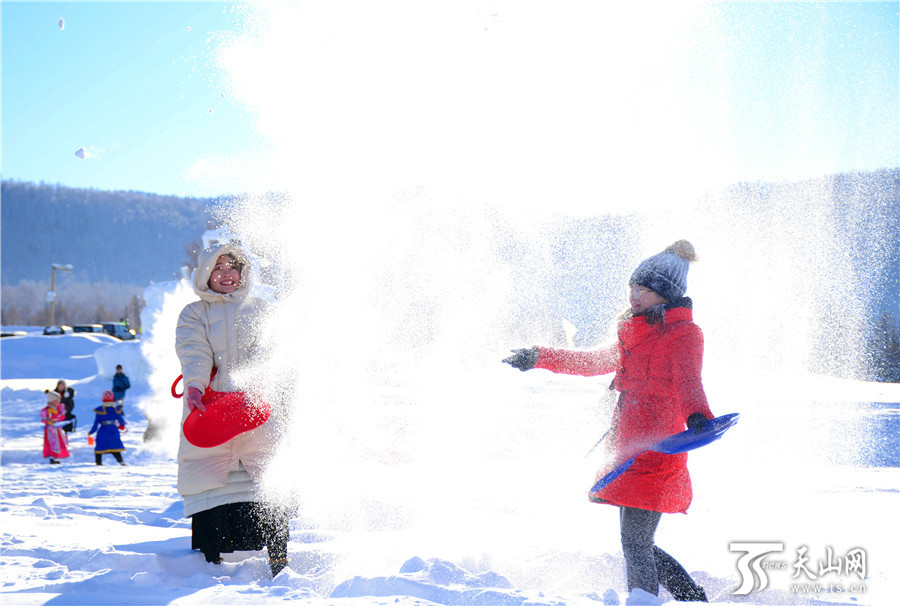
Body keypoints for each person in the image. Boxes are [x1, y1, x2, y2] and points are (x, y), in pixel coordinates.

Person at [503, 240, 713, 602]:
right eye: (633, 286)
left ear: (666, 295)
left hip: (659, 451)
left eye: (645, 290)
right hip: (628, 450)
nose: (635, 295)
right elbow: (589, 362)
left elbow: (689, 382)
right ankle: (691, 598)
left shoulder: (683, 334)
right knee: (638, 541)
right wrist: (537, 356)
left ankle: (647, 600)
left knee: (635, 542)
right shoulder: (634, 334)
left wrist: (698, 416)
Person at [175, 242, 289, 577]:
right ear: (206, 274)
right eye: (219, 268)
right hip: (211, 408)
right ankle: (209, 566)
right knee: (212, 480)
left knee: (267, 479)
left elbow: (273, 351)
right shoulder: (194, 313)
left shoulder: (262, 310)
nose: (227, 274)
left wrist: (265, 381)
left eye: (233, 267)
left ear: (243, 273)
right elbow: (194, 353)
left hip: (257, 406)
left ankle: (279, 559)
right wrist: (195, 386)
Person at [88, 390, 127, 465]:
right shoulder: (116, 409)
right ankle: (121, 462)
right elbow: (122, 421)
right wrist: (122, 426)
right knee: (115, 447)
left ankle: (98, 464)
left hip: (103, 431)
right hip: (113, 431)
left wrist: (91, 432)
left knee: (99, 447)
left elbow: (96, 423)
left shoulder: (100, 410)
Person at [42, 390, 70, 464]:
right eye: (57, 400)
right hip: (50, 430)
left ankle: (60, 456)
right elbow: (43, 419)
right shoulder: (46, 410)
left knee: (59, 442)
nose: (58, 401)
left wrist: (56, 414)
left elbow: (62, 417)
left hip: (58, 429)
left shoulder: (60, 408)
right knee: (51, 443)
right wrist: (48, 421)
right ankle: (52, 457)